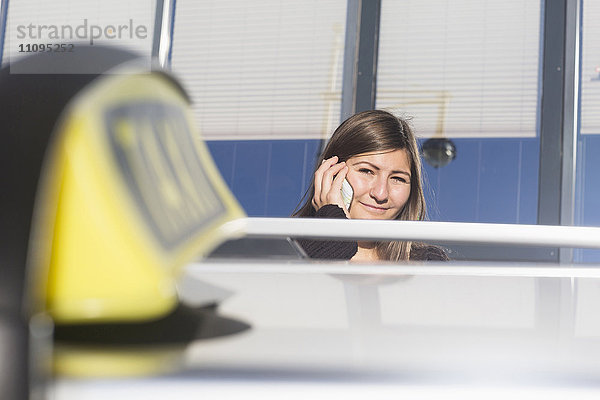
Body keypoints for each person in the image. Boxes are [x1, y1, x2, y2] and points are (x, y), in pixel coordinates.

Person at [293, 109, 448, 262]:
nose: (381, 194)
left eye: (398, 179)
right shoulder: (288, 252)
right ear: (330, 172)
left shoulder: (429, 263)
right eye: (366, 171)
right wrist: (332, 224)